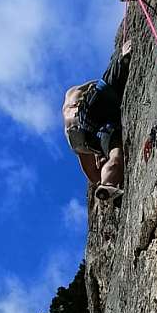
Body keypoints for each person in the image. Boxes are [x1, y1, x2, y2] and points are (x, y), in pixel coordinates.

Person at [63, 39, 131, 202]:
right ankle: (124, 58)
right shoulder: (73, 92)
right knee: (106, 87)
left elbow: (91, 173)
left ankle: (108, 185)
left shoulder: (75, 142)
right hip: (86, 113)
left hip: (84, 139)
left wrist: (100, 174)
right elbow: (97, 86)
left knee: (116, 154)